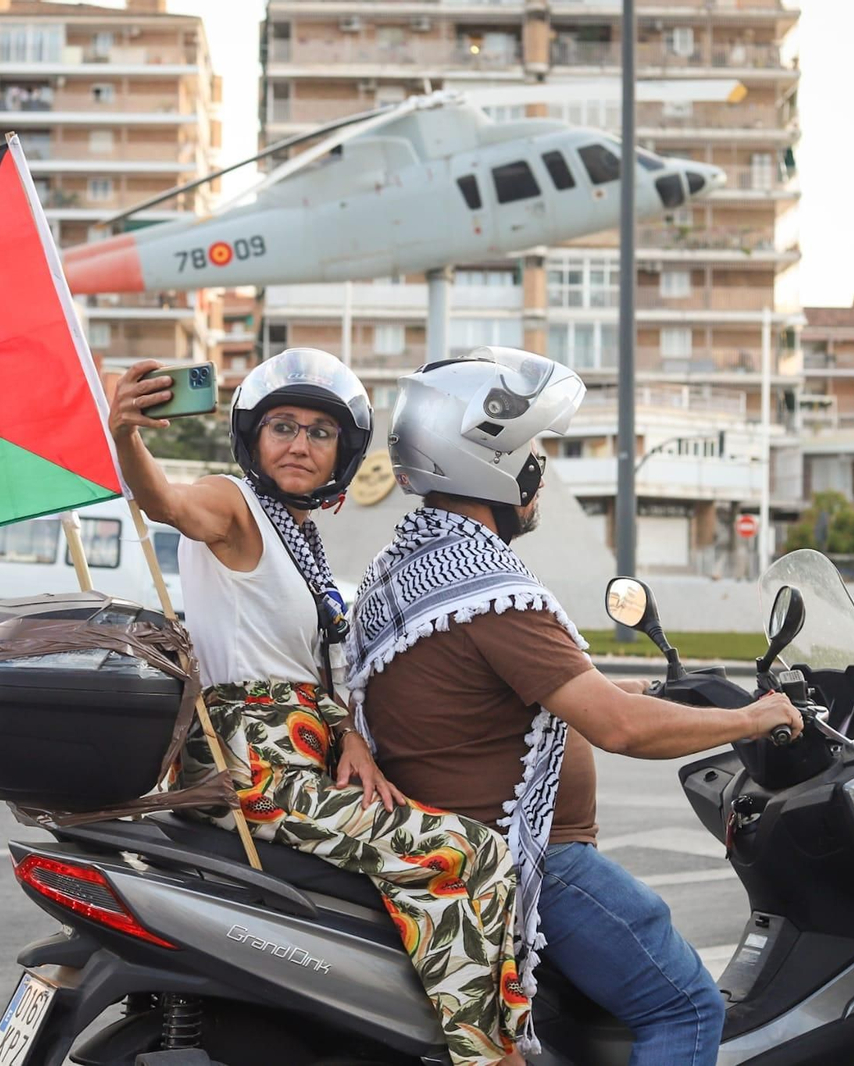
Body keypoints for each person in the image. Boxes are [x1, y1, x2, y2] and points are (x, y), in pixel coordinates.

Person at [348, 347, 803, 1066]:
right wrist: (754, 718)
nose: (540, 470)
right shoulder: (487, 591)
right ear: (491, 462)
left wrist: (656, 689)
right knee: (683, 1005)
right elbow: (616, 728)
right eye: (533, 452)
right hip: (536, 861)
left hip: (461, 845)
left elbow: (536, 695)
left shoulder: (412, 563)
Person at [110, 348, 535, 1066]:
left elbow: (310, 668)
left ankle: (479, 1034)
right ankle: (482, 1056)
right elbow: (169, 505)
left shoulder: (295, 533)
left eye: (318, 432)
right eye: (282, 427)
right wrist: (125, 436)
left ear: (340, 451)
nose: (299, 444)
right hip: (254, 772)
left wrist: (351, 737)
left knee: (479, 849)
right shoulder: (233, 503)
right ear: (255, 438)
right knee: (455, 851)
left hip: (304, 758)